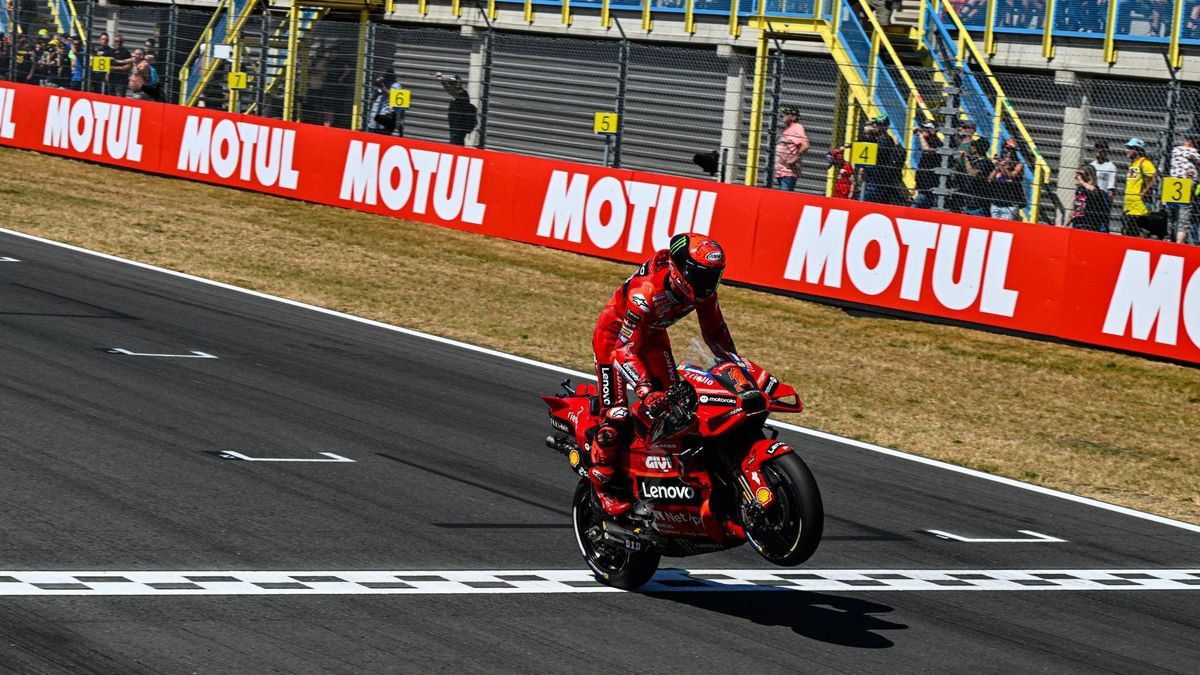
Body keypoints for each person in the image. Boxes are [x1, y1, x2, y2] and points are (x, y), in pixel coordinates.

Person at [589, 233, 738, 517]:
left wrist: (734, 367)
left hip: (654, 336)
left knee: (678, 408)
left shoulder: (703, 293)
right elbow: (625, 350)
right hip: (615, 340)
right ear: (680, 269)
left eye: (713, 276)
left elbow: (716, 333)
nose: (708, 284)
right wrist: (646, 391)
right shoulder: (645, 293)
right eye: (701, 275)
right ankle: (602, 485)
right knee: (617, 415)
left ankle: (663, 472)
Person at [858, 113, 907, 205]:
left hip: (876, 180)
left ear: (885, 127)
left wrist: (868, 134)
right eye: (875, 123)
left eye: (878, 124)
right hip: (871, 179)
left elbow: (872, 155)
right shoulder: (878, 138)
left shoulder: (885, 140)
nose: (875, 126)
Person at [1123, 137, 1160, 237]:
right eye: (1127, 147)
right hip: (1129, 205)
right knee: (1128, 233)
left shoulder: (1145, 163)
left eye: (1130, 148)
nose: (1127, 150)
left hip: (1140, 206)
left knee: (1140, 235)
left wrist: (1144, 191)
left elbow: (1155, 178)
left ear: (1137, 149)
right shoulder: (1132, 164)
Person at [1168, 130, 1200, 244]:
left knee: (1173, 217)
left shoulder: (1175, 150)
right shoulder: (1195, 152)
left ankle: (1170, 240)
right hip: (1185, 185)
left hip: (1172, 184)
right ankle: (1179, 243)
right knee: (1183, 219)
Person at [434, 72, 477, 146]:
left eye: (452, 83)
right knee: (459, 144)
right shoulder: (456, 93)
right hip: (454, 126)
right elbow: (450, 90)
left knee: (454, 145)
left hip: (459, 127)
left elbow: (450, 90)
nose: (450, 85)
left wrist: (442, 79)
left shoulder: (462, 94)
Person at [774, 105, 809, 192]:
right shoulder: (787, 129)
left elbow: (805, 145)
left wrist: (794, 158)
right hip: (781, 171)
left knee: (784, 197)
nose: (783, 115)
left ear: (793, 117)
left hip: (789, 172)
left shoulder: (797, 127)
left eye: (786, 114)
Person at [988, 139, 1026, 220]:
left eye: (1012, 151)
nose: (1009, 153)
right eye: (1007, 150)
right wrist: (997, 167)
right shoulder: (1000, 163)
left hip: (1010, 204)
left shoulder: (1018, 165)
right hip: (996, 203)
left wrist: (1000, 166)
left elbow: (1011, 176)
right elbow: (990, 179)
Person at [1071, 165, 1111, 232]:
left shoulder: (1096, 191)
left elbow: (1093, 190)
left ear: (1089, 176)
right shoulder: (1080, 190)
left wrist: (1081, 181)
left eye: (1080, 174)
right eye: (1077, 174)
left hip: (1090, 225)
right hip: (1078, 223)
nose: (1078, 176)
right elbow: (1077, 208)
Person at [913, 119, 941, 209]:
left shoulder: (936, 142)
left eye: (924, 129)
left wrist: (921, 136)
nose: (922, 130)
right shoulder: (928, 140)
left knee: (915, 208)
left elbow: (927, 150)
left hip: (930, 186)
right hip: (923, 185)